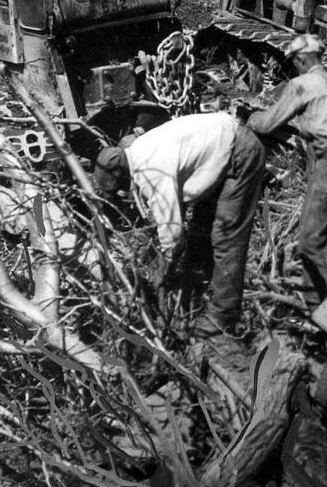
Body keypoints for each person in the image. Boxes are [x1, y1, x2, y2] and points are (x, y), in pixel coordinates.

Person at [93, 112, 266, 350]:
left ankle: (223, 317)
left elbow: (172, 234)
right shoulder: (137, 149)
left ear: (122, 177)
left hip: (240, 153)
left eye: (121, 188)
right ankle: (203, 286)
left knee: (226, 237)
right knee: (200, 230)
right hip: (221, 146)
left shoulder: (150, 174)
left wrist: (165, 267)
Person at [246, 33, 327, 302]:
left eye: (295, 62)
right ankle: (315, 303)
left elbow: (268, 124)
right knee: (319, 236)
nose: (294, 67)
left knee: (311, 243)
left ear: (303, 60)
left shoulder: (302, 84)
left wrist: (248, 116)